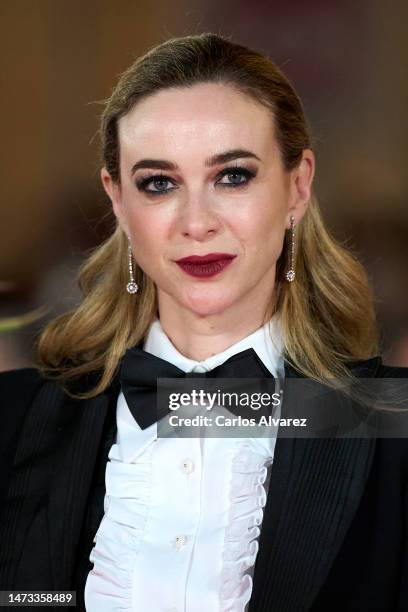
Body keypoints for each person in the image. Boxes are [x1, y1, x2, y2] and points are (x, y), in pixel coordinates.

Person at [0, 32, 407, 612]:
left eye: (233, 175)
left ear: (298, 186)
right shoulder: (13, 420)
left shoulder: (395, 427)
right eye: (159, 183)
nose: (196, 222)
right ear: (117, 200)